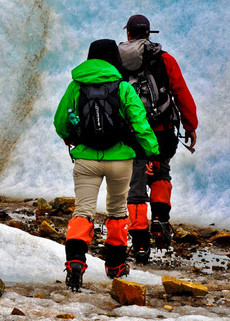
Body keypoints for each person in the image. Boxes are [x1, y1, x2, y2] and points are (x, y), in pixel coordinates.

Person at [54, 39, 160, 291]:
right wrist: (153, 153)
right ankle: (115, 265)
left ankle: (75, 262)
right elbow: (140, 123)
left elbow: (60, 120)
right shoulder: (123, 87)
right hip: (120, 160)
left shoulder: (76, 85)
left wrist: (69, 136)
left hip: (86, 159)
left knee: (83, 210)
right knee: (116, 209)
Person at [119, 15, 198, 264]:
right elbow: (181, 92)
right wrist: (190, 125)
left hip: (130, 133)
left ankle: (140, 243)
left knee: (136, 183)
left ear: (129, 34)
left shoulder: (117, 60)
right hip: (161, 130)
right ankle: (160, 221)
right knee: (161, 174)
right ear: (149, 34)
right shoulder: (164, 60)